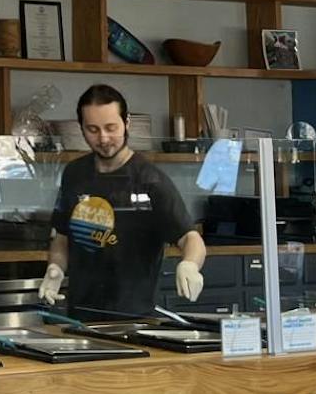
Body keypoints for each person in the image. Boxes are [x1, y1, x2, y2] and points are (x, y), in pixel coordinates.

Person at [38, 83, 208, 319]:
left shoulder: (150, 181)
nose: (104, 138)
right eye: (93, 129)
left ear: (126, 123)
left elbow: (190, 238)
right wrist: (55, 268)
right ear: (82, 128)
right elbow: (62, 236)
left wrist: (190, 264)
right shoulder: (74, 174)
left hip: (134, 316)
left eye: (111, 127)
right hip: (79, 314)